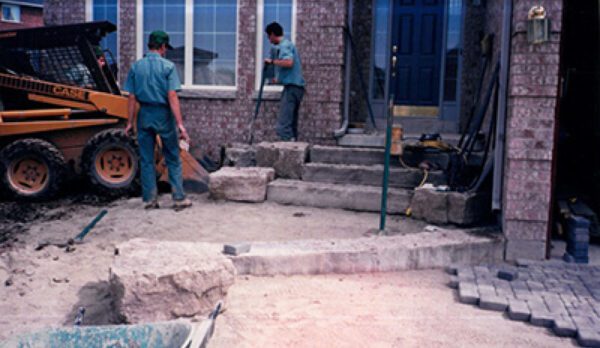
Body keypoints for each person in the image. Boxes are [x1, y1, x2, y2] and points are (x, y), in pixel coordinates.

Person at [124, 30, 192, 210]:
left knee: (146, 159)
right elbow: (172, 96)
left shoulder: (136, 67)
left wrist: (129, 122)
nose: (165, 51)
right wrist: (180, 125)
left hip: (144, 115)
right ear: (162, 47)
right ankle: (178, 198)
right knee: (172, 157)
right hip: (163, 115)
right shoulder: (168, 67)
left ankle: (149, 200)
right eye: (165, 48)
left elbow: (131, 97)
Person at [264, 22, 305, 141]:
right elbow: (291, 69)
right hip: (297, 88)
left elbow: (288, 62)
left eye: (268, 36)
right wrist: (277, 79)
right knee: (291, 124)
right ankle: (294, 145)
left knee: (283, 126)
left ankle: (288, 150)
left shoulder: (284, 46)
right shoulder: (289, 45)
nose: (269, 40)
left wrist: (272, 62)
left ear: (272, 34)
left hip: (292, 88)